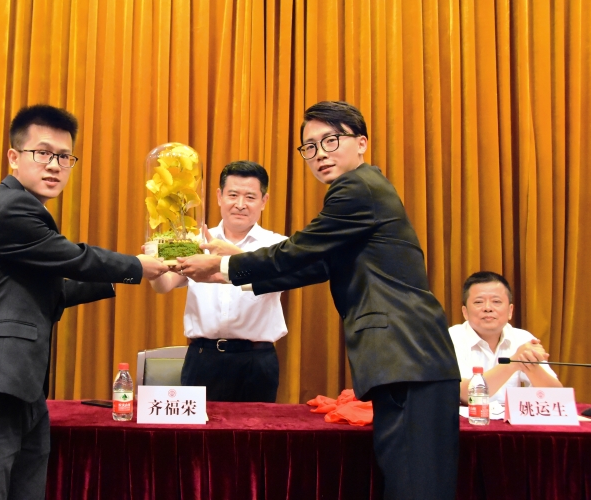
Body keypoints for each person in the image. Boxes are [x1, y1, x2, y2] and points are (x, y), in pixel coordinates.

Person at [178, 101, 461, 500]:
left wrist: (225, 265)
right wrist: (225, 271)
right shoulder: (366, 189)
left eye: (331, 140)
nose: (320, 154)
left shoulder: (355, 188)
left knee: (415, 483)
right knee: (409, 477)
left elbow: (299, 251)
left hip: (407, 356)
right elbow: (317, 266)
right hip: (408, 358)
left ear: (361, 143)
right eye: (309, 147)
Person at [0, 104, 168, 500]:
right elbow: (74, 258)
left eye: (64, 157)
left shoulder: (25, 212)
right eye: (42, 152)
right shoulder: (10, 206)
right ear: (14, 157)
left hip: (23, 392)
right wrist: (137, 266)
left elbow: (54, 290)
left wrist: (127, 276)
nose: (54, 165)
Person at [149, 161, 287, 402]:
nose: (240, 204)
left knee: (256, 427)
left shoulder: (277, 246)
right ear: (219, 197)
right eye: (232, 195)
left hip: (257, 361)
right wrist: (155, 269)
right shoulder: (195, 241)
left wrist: (234, 257)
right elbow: (165, 284)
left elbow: (283, 279)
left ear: (264, 201)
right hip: (203, 358)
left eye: (250, 197)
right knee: (199, 428)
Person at [450, 271, 561, 405]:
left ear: (510, 311)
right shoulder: (451, 338)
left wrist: (532, 367)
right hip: (469, 416)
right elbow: (463, 394)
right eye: (478, 302)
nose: (488, 308)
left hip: (509, 417)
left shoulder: (522, 338)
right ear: (465, 312)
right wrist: (513, 363)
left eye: (496, 301)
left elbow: (557, 397)